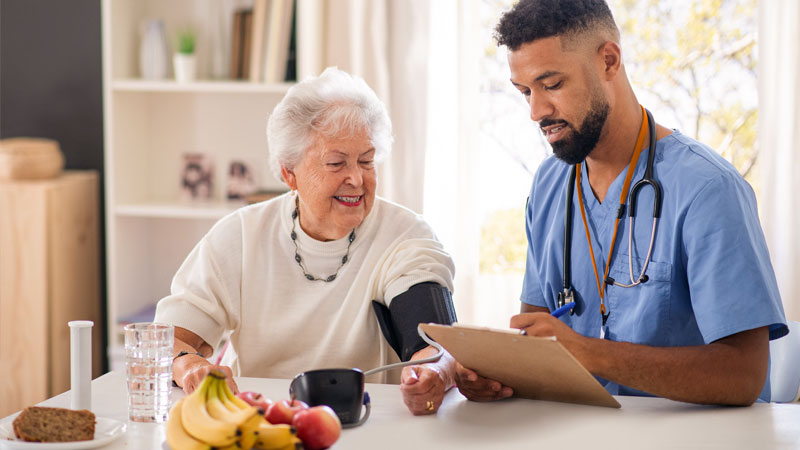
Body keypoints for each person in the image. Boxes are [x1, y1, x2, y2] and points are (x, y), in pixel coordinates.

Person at [455, 0, 788, 406]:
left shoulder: (708, 189)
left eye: (552, 85)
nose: (536, 111)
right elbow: (536, 338)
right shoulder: (550, 185)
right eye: (525, 91)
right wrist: (495, 375)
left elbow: (743, 376)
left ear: (609, 61)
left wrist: (586, 352)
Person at [155, 67, 457, 415]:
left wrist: (432, 372)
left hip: (368, 422)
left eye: (366, 161)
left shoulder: (405, 235)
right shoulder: (240, 235)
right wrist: (189, 365)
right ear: (289, 172)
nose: (356, 179)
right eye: (336, 163)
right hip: (259, 421)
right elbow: (166, 340)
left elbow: (435, 343)